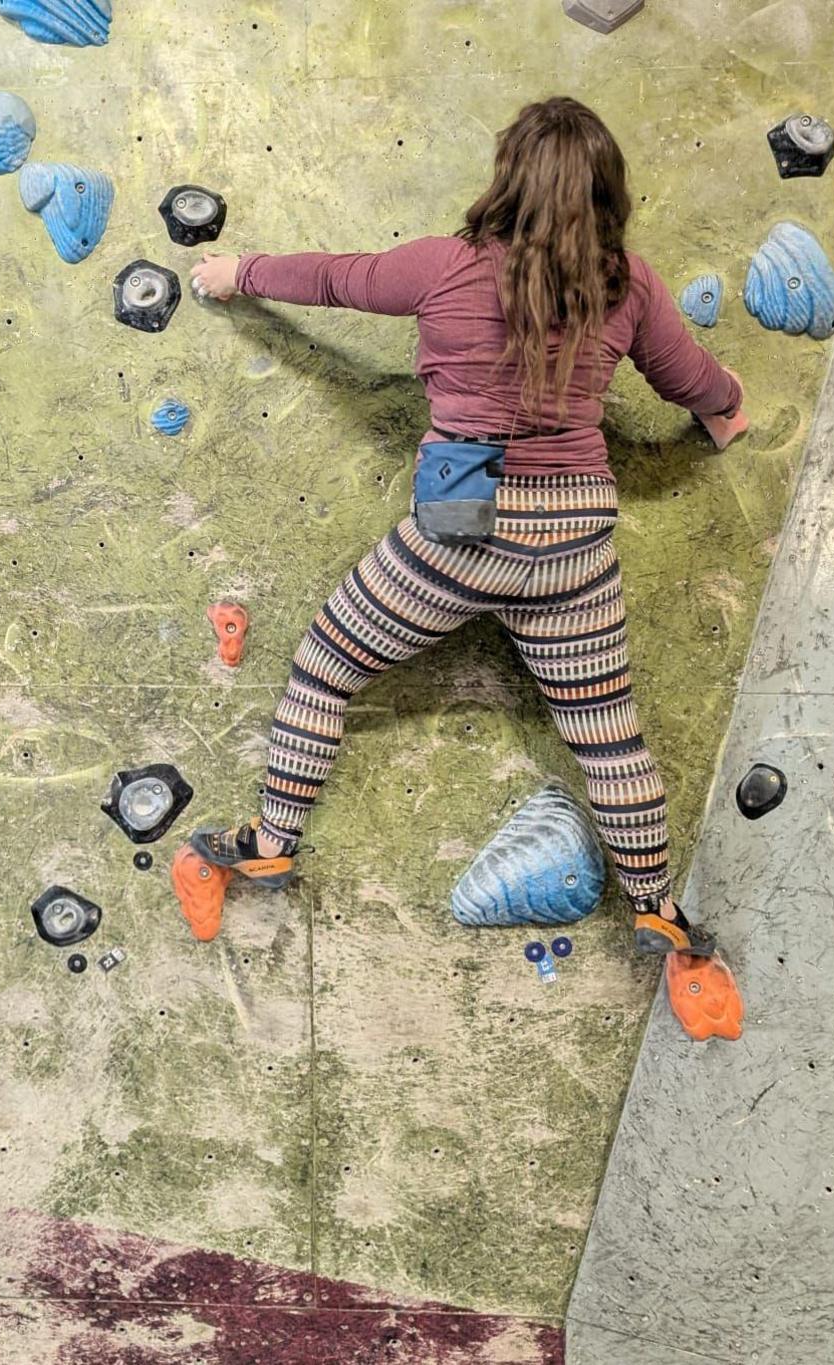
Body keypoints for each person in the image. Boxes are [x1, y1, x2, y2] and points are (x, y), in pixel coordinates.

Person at [184, 96, 746, 958]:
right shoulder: (627, 285)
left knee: (326, 666)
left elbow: (333, 277)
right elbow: (688, 377)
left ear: (505, 179)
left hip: (462, 516)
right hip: (574, 536)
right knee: (607, 729)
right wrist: (728, 409)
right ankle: (659, 908)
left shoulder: (443, 267)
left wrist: (237, 272)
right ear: (608, 195)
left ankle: (270, 844)